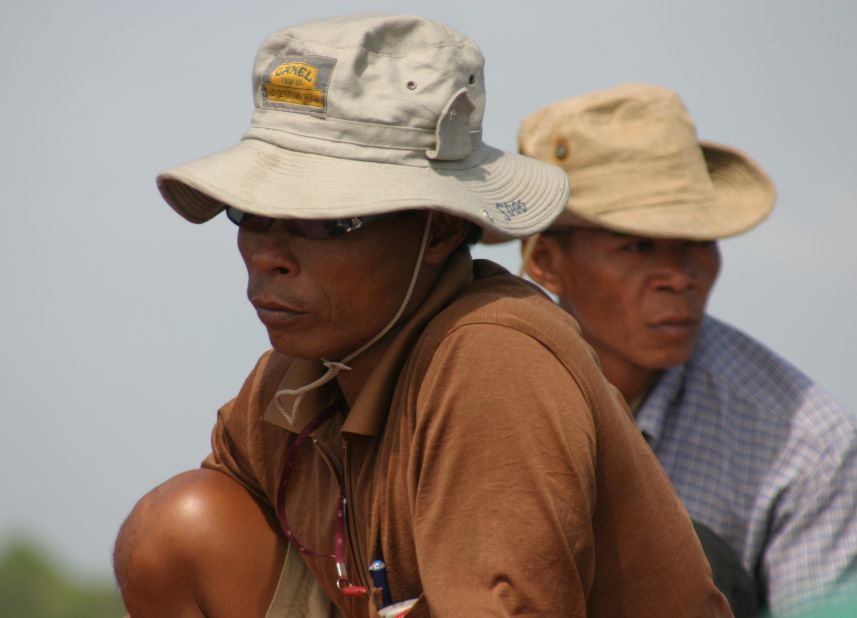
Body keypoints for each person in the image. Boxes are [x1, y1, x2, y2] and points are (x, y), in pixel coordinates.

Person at [112, 17, 731, 618]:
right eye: (251, 215)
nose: (269, 255)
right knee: (177, 529)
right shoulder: (298, 378)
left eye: (327, 221)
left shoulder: (494, 362)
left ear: (437, 228)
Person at [516, 82, 857, 616]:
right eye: (637, 245)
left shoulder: (807, 444)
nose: (680, 276)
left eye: (698, 243)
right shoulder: (478, 390)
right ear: (547, 264)